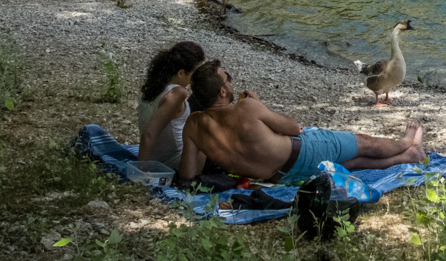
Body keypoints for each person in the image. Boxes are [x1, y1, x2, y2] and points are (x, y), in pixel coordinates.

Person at [177, 60, 426, 185]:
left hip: (278, 178)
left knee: (351, 161)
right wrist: (259, 105)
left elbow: (188, 175)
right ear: (222, 92)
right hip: (301, 152)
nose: (230, 83)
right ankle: (405, 144)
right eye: (226, 80)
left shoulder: (194, 125)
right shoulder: (246, 108)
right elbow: (292, 128)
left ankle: (408, 156)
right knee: (362, 143)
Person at [137, 41, 205, 170]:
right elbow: (149, 134)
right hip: (175, 162)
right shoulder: (177, 93)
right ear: (181, 73)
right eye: (196, 72)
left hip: (156, 156)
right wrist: (142, 172)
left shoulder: (153, 85)